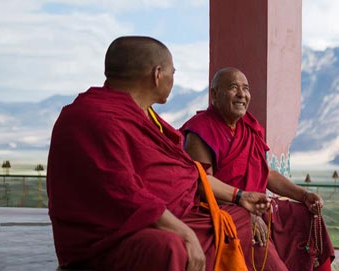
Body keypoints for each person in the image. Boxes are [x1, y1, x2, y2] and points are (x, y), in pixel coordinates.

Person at [47, 36, 270, 271]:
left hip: (159, 216)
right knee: (172, 246)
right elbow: (123, 191)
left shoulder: (144, 116)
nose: (173, 79)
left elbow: (189, 173)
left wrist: (239, 196)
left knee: (236, 219)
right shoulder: (96, 118)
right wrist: (184, 232)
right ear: (157, 75)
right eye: (172, 72)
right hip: (111, 236)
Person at [180, 67, 335, 271]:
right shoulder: (201, 130)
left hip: (253, 204)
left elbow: (266, 173)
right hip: (223, 209)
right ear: (214, 94)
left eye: (246, 88)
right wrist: (246, 208)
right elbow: (202, 184)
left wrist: (303, 194)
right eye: (234, 87)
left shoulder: (249, 128)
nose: (241, 94)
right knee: (266, 256)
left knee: (305, 216)